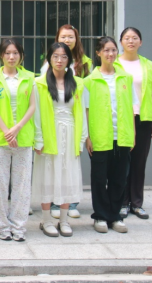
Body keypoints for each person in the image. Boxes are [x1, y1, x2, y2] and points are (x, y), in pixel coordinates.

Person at [0, 38, 41, 242]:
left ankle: (18, 226)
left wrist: (16, 129)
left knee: (22, 185)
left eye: (15, 53)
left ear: (21, 56)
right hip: (0, 139)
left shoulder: (29, 77)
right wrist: (6, 131)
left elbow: (32, 106)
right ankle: (2, 225)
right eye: (7, 53)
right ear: (1, 55)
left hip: (23, 137)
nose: (11, 57)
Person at [32, 42, 88, 238]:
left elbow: (81, 113)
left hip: (70, 134)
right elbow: (36, 112)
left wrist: (81, 139)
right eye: (55, 56)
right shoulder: (39, 83)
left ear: (69, 60)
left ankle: (64, 220)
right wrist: (38, 139)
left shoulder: (78, 83)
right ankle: (46, 220)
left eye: (64, 56)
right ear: (49, 59)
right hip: (49, 133)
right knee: (47, 175)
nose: (59, 60)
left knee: (67, 175)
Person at [84, 36, 137, 234]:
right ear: (98, 53)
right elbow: (86, 110)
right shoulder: (90, 81)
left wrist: (132, 134)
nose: (110, 54)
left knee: (119, 178)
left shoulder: (125, 78)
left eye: (113, 50)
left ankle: (115, 216)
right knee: (99, 178)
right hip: (99, 136)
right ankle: (100, 215)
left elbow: (131, 108)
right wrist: (87, 136)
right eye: (106, 50)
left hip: (122, 135)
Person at [40, 25, 93, 219]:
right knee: (51, 168)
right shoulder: (45, 73)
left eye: (71, 37)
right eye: (63, 36)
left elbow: (83, 106)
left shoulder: (83, 67)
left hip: (71, 125)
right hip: (51, 125)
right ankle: (52, 208)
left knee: (68, 167)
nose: (67, 40)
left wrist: (84, 136)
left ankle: (69, 206)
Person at [117, 27, 152, 220]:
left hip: (143, 118)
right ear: (121, 42)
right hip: (121, 118)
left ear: (140, 42)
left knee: (139, 161)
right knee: (122, 160)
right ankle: (122, 202)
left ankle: (136, 203)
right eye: (127, 38)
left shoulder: (148, 65)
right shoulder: (115, 63)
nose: (131, 41)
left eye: (135, 38)